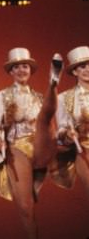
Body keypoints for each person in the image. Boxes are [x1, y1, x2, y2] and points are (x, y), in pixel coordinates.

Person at [0, 48, 58, 239]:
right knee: (25, 207)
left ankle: (54, 83)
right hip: (17, 145)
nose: (21, 70)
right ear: (10, 72)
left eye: (24, 66)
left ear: (30, 70)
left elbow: (50, 127)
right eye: (16, 67)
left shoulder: (40, 98)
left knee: (45, 120)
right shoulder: (1, 96)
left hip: (41, 144)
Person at [52, 45, 89, 198]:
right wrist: (67, 133)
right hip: (84, 150)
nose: (87, 69)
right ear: (75, 72)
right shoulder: (64, 98)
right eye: (82, 67)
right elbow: (61, 128)